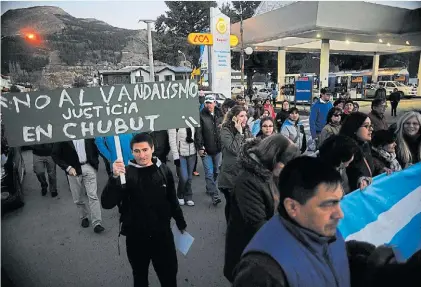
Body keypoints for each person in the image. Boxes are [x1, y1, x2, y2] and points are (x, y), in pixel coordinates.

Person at [233, 157, 349, 287]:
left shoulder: (325, 229)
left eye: (339, 201)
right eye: (328, 204)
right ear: (293, 207)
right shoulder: (263, 272)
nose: (340, 214)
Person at [101, 133, 186, 287]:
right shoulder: (125, 174)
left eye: (145, 150)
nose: (142, 155)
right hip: (136, 238)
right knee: (140, 277)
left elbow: (172, 200)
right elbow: (106, 203)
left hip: (162, 237)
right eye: (137, 151)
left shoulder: (164, 170)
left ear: (152, 149)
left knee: (169, 277)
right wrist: (114, 178)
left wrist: (181, 223)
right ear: (132, 152)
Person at [224, 135, 299, 282]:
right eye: (285, 165)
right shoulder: (247, 181)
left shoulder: (270, 171)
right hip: (249, 254)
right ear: (273, 157)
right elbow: (258, 226)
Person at [52, 139, 104, 233]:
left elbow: (95, 148)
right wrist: (68, 168)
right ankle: (84, 217)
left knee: (93, 196)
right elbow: (55, 155)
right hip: (73, 170)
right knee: (77, 198)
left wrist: (95, 164)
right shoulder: (63, 136)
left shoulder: (86, 132)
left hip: (89, 167)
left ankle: (97, 223)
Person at [219, 105, 252, 222]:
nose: (245, 118)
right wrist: (239, 133)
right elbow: (234, 149)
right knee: (232, 204)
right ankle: (230, 226)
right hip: (230, 175)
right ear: (234, 118)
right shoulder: (225, 130)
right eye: (241, 116)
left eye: (245, 116)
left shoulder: (246, 128)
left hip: (243, 172)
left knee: (241, 204)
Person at [195, 95, 224, 205]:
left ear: (215, 103)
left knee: (216, 171)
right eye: (206, 102)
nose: (208, 105)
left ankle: (209, 187)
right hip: (206, 149)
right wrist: (200, 147)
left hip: (218, 149)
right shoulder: (201, 115)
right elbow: (198, 133)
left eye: (210, 102)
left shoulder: (220, 114)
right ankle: (215, 195)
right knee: (209, 173)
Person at [339, 112, 376, 192]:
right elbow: (350, 171)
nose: (371, 129)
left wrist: (381, 168)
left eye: (371, 125)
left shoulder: (365, 144)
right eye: (366, 126)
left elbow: (369, 165)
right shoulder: (345, 150)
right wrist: (360, 179)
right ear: (354, 128)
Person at [168, 127, 197, 206]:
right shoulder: (174, 122)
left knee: (190, 177)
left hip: (192, 153)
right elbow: (172, 141)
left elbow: (197, 135)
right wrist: (176, 157)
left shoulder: (192, 119)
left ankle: (188, 196)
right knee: (184, 177)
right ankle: (180, 195)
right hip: (181, 155)